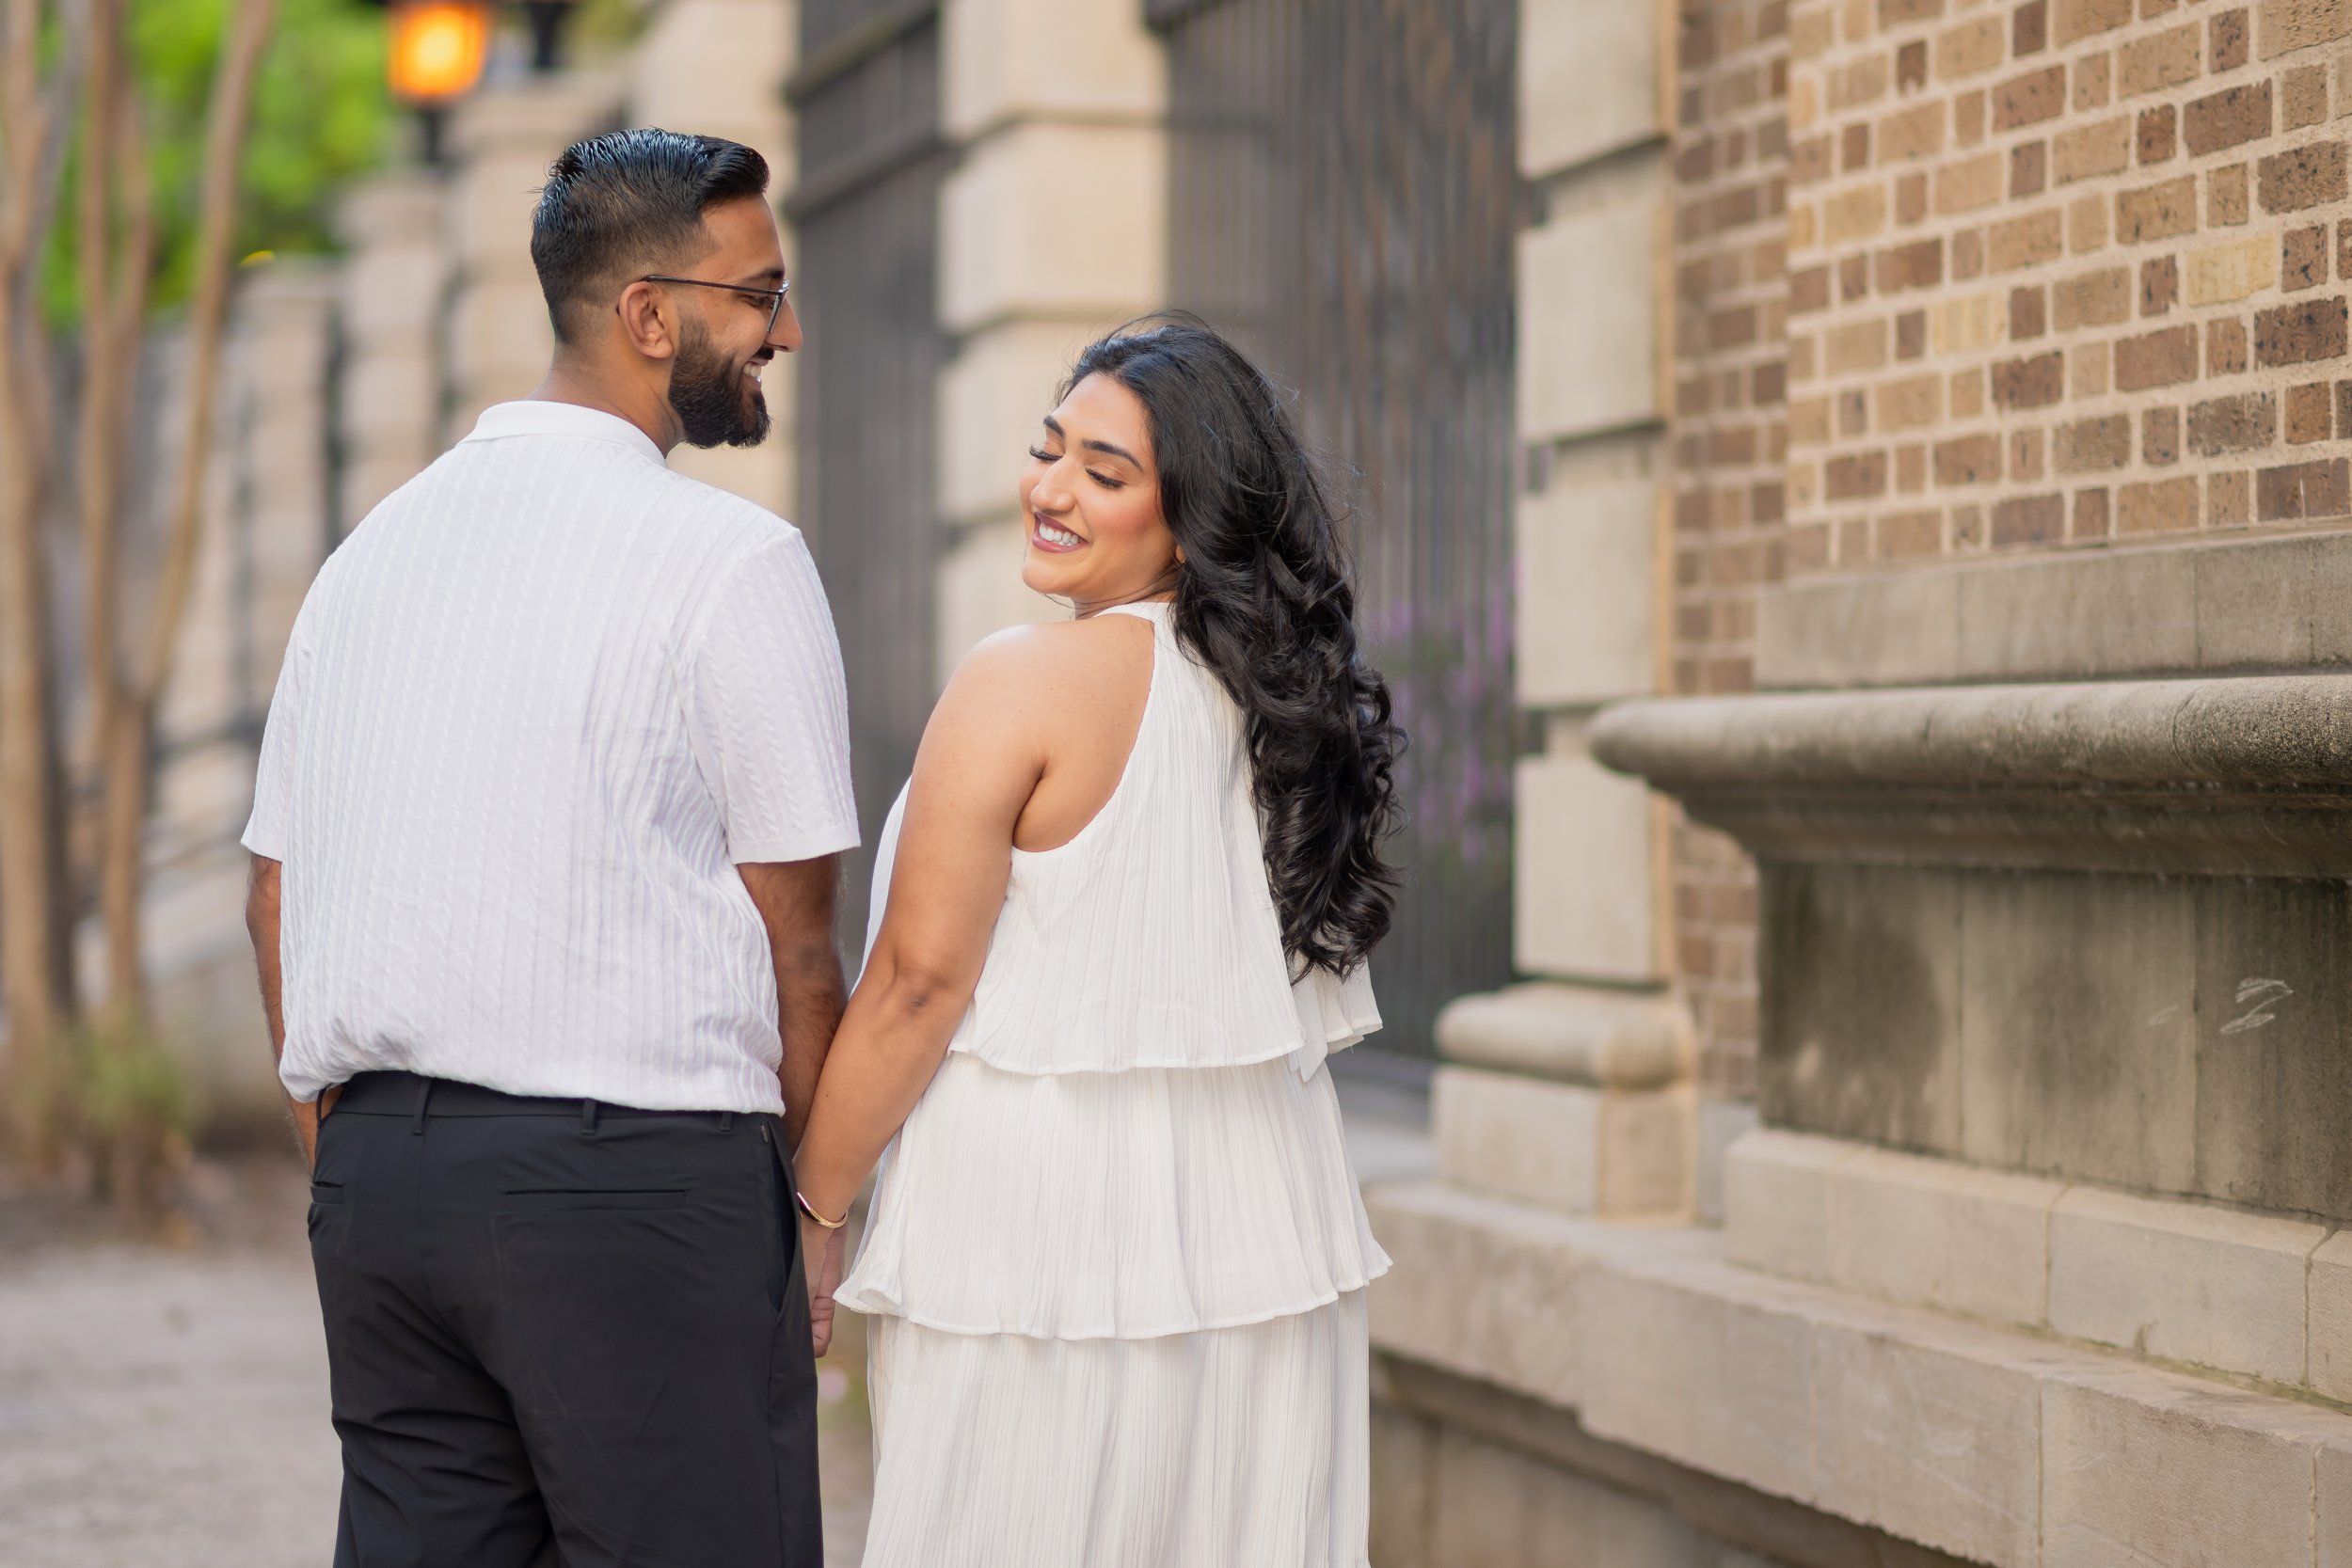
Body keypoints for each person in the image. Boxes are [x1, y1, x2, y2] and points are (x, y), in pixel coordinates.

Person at [242, 128, 850, 1568]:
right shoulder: (733, 566)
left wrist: (357, 1159)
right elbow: (803, 949)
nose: (788, 327)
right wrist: (813, 1219)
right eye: (760, 293)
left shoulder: (366, 558)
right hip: (640, 1197)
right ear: (650, 315)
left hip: (386, 1192)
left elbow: (278, 899)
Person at [788, 314, 1406, 1566]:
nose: (1050, 490)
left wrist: (814, 1204)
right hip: (1263, 1231)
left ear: (1193, 518)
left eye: (1105, 474)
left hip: (1038, 1241)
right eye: (1050, 448)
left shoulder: (1023, 682)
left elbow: (917, 982)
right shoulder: (1288, 714)